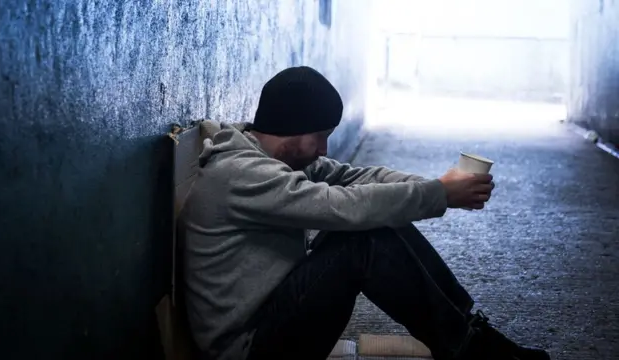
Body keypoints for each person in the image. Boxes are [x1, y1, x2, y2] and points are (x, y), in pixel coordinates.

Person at [179, 66, 551, 360]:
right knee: (361, 237)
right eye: (321, 135)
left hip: (271, 317)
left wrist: (439, 185)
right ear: (294, 129)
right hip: (248, 348)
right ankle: (469, 348)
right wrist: (439, 194)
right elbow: (342, 206)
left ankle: (471, 336)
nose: (324, 149)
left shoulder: (270, 159)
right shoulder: (241, 174)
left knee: (378, 216)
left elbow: (358, 178)